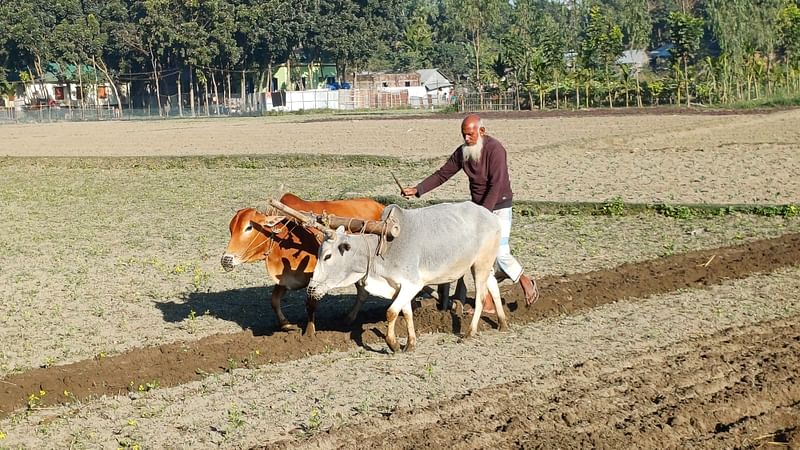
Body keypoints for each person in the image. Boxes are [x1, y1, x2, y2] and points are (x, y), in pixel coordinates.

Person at [401, 114, 539, 314]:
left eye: (470, 134)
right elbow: (443, 174)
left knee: (500, 252)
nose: (467, 139)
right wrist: (418, 189)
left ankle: (525, 281)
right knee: (481, 258)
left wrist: (483, 215)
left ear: (481, 131)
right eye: (464, 135)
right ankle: (488, 304)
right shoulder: (463, 152)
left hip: (499, 206)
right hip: (478, 210)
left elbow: (496, 185)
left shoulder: (495, 150)